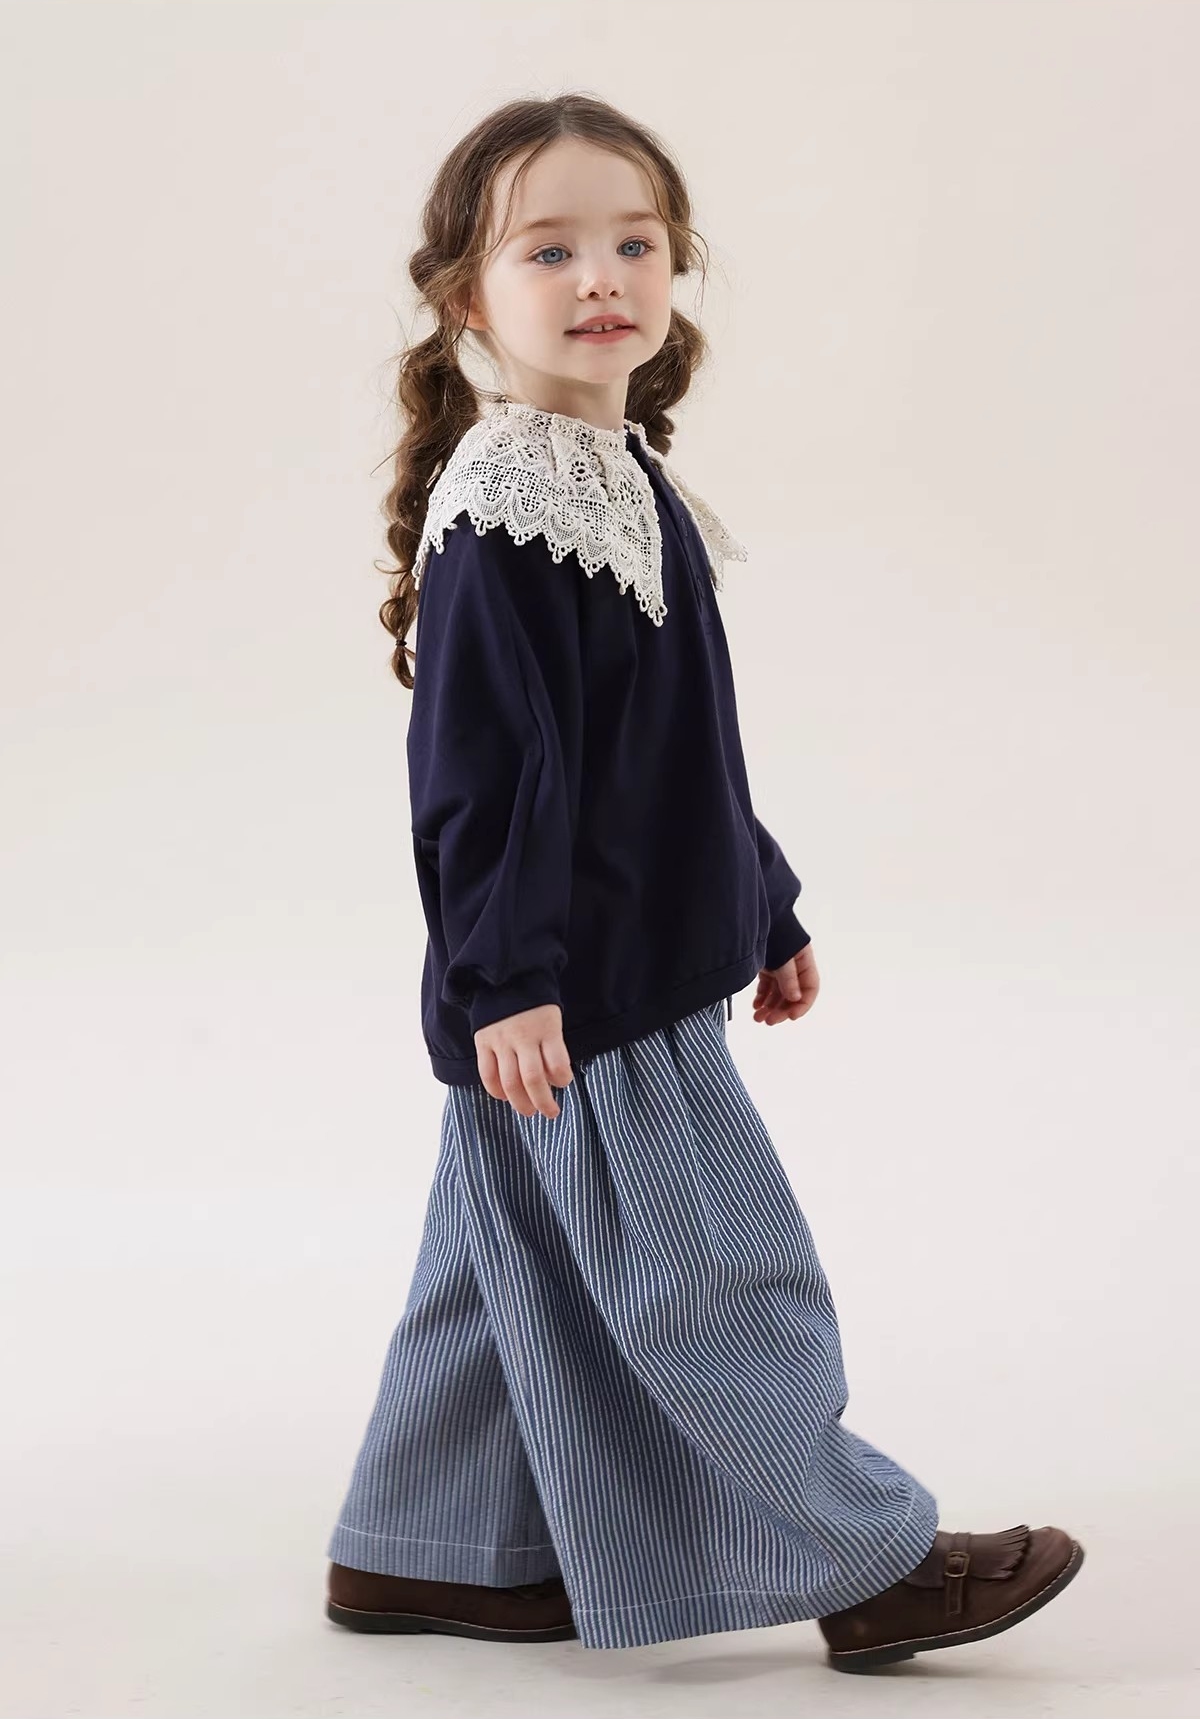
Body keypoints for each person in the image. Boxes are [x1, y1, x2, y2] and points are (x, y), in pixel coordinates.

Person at [323, 93, 1084, 1666]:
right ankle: (868, 1564)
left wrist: (765, 900)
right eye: (549, 250)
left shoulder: (620, 476)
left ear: (676, 268)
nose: (601, 276)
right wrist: (509, 981)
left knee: (504, 1273)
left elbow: (675, 752)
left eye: (635, 242)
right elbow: (485, 775)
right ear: (468, 297)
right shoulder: (510, 506)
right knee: (714, 1284)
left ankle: (426, 1550)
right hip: (581, 997)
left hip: (600, 968)